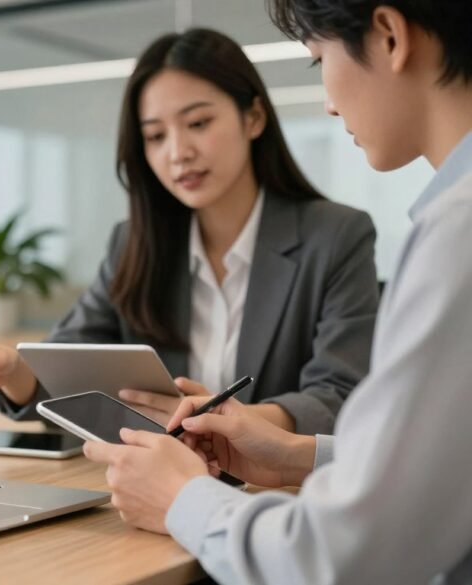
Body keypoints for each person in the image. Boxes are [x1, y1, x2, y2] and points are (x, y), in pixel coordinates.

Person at [82, 1, 472, 583]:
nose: (329, 102)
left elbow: (345, 556)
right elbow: (444, 468)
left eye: (319, 61)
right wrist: (296, 456)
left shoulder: (455, 232)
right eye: (156, 135)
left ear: (389, 36)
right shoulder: (453, 220)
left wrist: (182, 498)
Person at [0, 28, 379, 435]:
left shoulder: (336, 236)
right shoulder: (134, 243)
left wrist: (239, 425)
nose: (178, 152)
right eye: (155, 136)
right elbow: (69, 360)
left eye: (198, 123)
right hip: (152, 488)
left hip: (275, 496)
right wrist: (12, 370)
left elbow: (341, 395)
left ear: (253, 118)